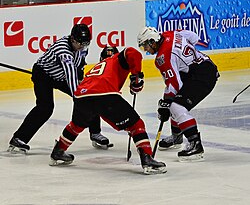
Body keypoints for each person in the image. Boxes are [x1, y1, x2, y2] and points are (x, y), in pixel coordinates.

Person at [49, 46, 167, 175]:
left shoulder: (97, 66)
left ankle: (58, 151)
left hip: (81, 95)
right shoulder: (117, 59)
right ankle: (147, 159)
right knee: (136, 125)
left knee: (76, 125)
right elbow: (132, 52)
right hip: (105, 94)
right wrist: (136, 76)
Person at [7, 24, 110, 154]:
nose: (83, 46)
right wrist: (79, 96)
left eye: (86, 43)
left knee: (89, 96)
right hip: (43, 75)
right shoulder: (63, 51)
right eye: (80, 43)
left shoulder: (82, 46)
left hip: (60, 76)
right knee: (45, 107)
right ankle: (19, 138)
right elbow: (70, 74)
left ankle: (95, 133)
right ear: (72, 39)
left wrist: (83, 89)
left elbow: (79, 65)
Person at [137, 26, 220, 162]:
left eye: (145, 46)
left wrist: (165, 104)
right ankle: (177, 137)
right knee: (174, 101)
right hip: (204, 66)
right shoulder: (171, 33)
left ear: (152, 41)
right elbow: (194, 37)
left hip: (202, 77)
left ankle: (195, 144)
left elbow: (175, 85)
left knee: (177, 106)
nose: (146, 50)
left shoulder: (162, 57)